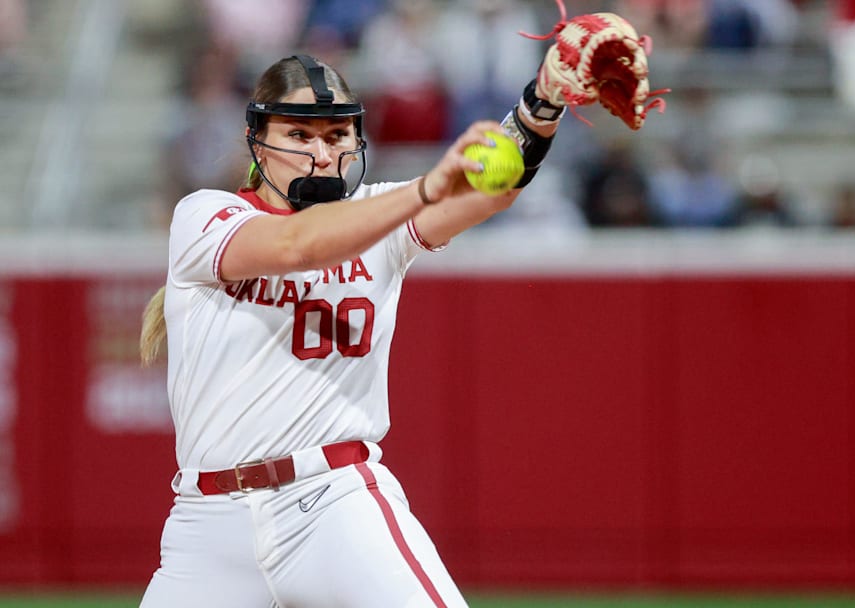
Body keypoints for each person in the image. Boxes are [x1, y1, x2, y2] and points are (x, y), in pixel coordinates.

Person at [137, 51, 567, 606]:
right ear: (255, 139)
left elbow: (491, 191)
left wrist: (541, 107)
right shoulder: (205, 214)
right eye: (298, 134)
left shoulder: (376, 211)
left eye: (338, 135)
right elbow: (297, 245)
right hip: (206, 523)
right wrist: (424, 188)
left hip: (331, 503)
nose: (321, 153)